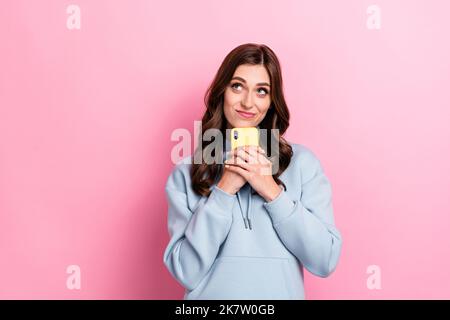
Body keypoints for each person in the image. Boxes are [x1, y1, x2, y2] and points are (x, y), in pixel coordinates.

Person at [163, 43, 342, 299]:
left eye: (261, 91)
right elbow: (185, 271)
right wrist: (224, 189)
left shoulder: (303, 164)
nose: (248, 102)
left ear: (271, 101)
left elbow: (325, 259)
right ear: (222, 91)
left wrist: (271, 190)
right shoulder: (186, 173)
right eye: (237, 86)